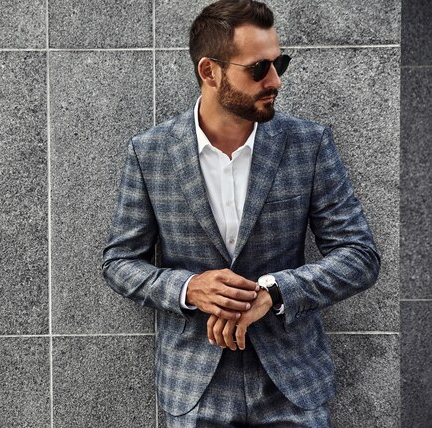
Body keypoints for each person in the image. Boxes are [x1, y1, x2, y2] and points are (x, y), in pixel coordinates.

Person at [102, 0, 381, 426]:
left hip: (292, 382)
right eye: (258, 69)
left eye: (279, 63)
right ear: (209, 72)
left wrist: (275, 292)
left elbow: (360, 256)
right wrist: (188, 288)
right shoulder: (151, 152)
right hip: (196, 384)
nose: (275, 81)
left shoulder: (308, 144)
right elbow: (119, 262)